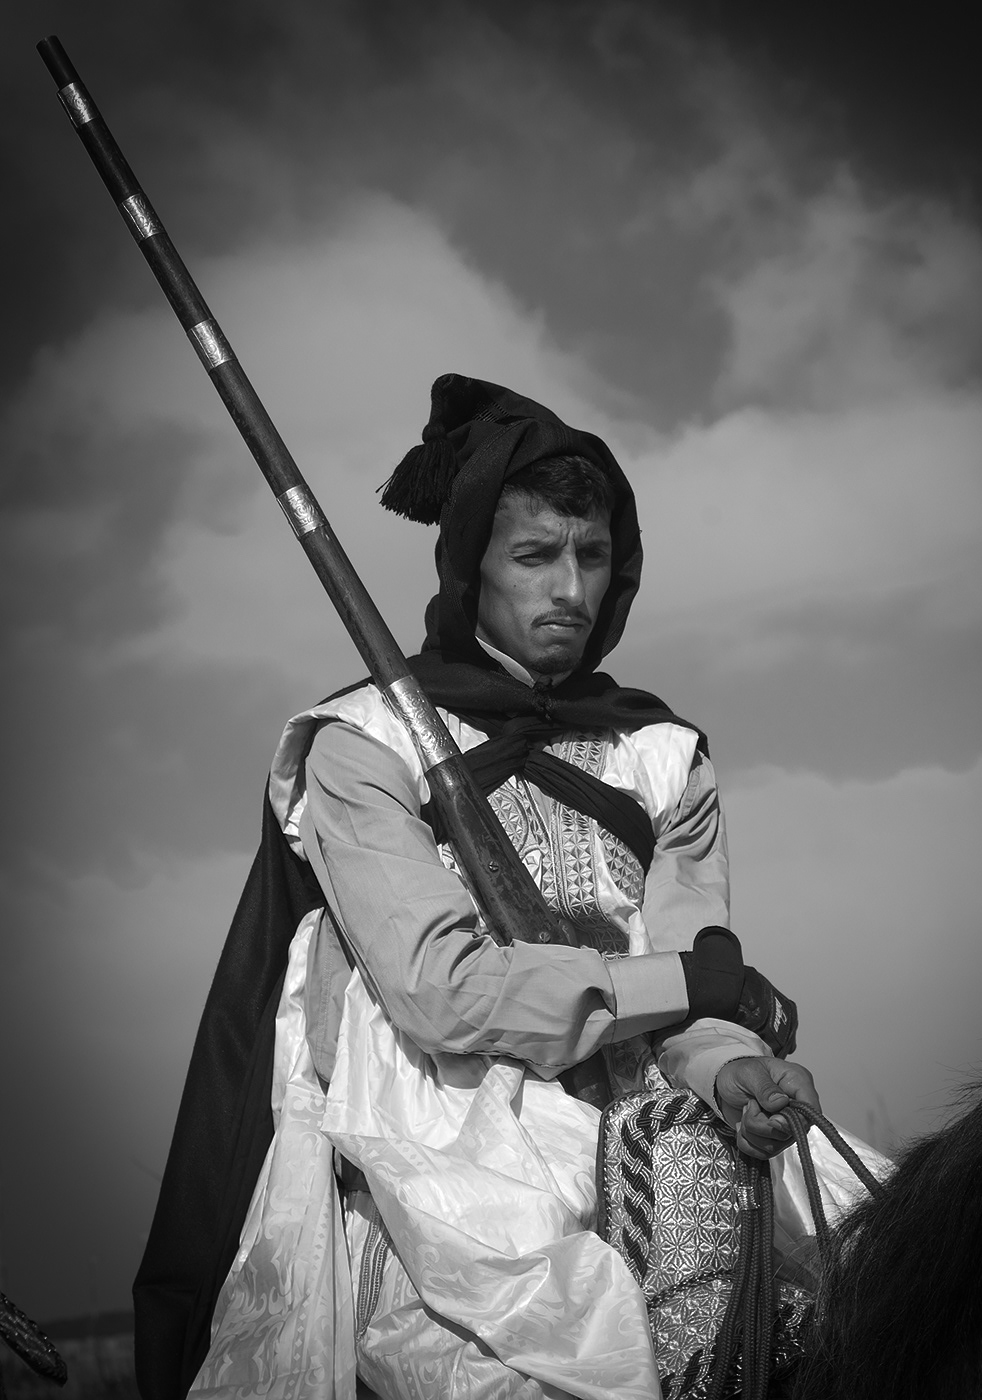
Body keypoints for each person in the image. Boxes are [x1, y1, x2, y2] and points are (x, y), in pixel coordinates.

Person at [136, 375, 879, 1400]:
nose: (569, 589)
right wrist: (689, 987)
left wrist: (728, 1070)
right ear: (470, 566)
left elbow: (693, 992)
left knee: (901, 1290)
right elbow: (441, 991)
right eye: (535, 556)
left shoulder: (662, 754)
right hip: (448, 1142)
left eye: (592, 555)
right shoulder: (364, 746)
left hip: (656, 1114)